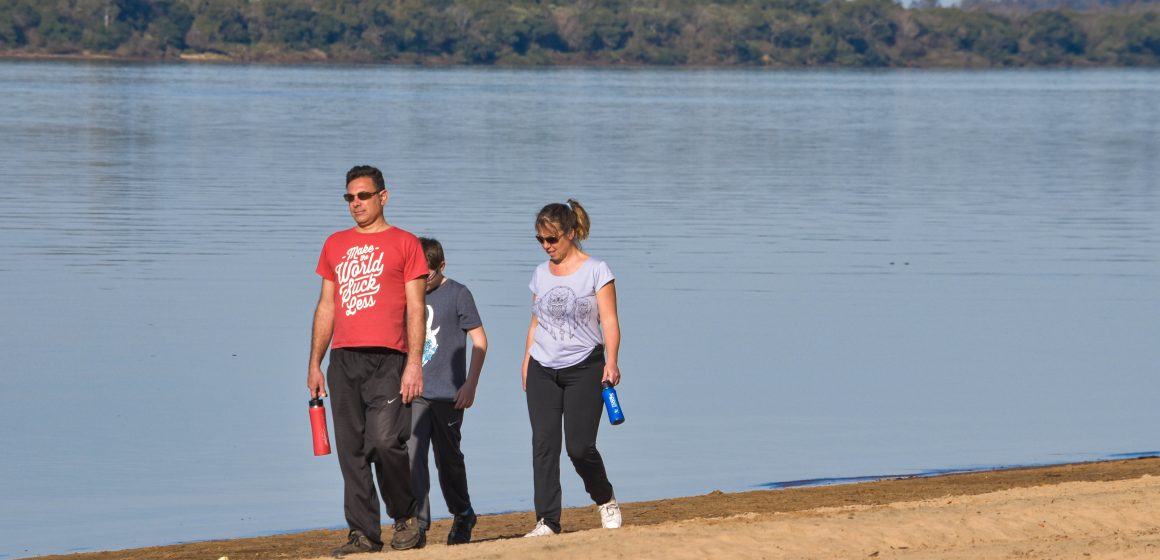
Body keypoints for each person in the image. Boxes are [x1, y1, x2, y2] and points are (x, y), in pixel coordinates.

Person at [307, 165, 428, 556]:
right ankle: (363, 534)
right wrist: (314, 363)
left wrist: (414, 363)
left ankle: (405, 516)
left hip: (389, 360)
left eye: (363, 196)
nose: (356, 203)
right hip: (344, 360)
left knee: (384, 442)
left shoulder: (405, 243)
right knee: (352, 451)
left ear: (382, 197)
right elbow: (326, 307)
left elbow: (415, 307)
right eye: (349, 197)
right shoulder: (335, 244)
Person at [521, 199, 623, 537]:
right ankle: (547, 521)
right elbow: (536, 322)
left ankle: (605, 498)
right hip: (542, 368)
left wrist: (612, 361)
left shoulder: (597, 270)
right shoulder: (539, 274)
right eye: (540, 240)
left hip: (585, 367)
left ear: (571, 233)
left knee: (579, 447)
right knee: (543, 445)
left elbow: (609, 320)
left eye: (552, 239)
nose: (547, 246)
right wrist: (526, 361)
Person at [407, 237, 488, 545]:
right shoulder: (406, 292)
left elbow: (481, 342)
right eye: (415, 274)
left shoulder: (459, 294)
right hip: (414, 392)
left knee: (448, 459)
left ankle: (462, 513)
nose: (421, 281)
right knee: (412, 456)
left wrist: (471, 385)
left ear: (441, 267)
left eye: (426, 275)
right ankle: (419, 525)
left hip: (449, 395)